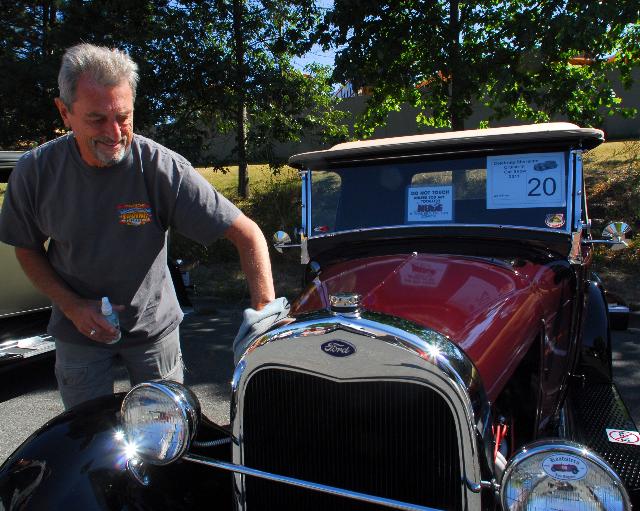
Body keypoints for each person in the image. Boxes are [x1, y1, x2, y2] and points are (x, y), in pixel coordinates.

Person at [0, 43, 282, 410]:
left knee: (166, 438)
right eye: (97, 119)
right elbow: (27, 247)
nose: (115, 133)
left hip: (153, 332)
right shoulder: (35, 172)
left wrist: (264, 319)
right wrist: (71, 305)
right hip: (78, 333)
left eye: (124, 117)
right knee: (88, 441)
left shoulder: (161, 168)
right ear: (64, 112)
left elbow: (247, 234)